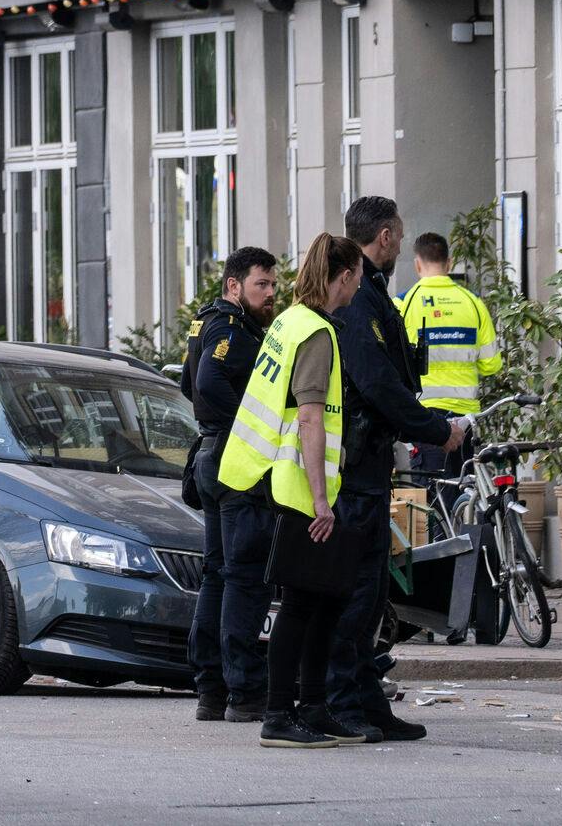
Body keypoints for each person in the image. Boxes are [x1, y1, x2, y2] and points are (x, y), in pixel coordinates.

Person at [216, 233, 365, 749]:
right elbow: (308, 418)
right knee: (305, 604)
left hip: (277, 478)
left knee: (323, 601)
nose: (360, 282)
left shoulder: (287, 321)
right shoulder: (318, 332)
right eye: (358, 274)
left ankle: (313, 709)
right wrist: (323, 501)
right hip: (300, 487)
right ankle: (280, 715)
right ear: (344, 277)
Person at [327, 197, 467, 743]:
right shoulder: (359, 298)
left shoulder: (371, 293)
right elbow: (378, 384)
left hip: (368, 464)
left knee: (371, 592)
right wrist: (435, 428)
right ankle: (346, 704)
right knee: (358, 593)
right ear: (385, 237)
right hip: (356, 467)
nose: (401, 244)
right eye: (398, 236)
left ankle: (365, 701)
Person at [180, 246, 278, 724]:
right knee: (243, 575)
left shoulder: (205, 323)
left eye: (274, 285)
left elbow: (186, 386)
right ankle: (244, 691)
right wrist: (253, 426)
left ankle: (211, 691)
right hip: (231, 459)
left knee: (218, 574)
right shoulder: (230, 328)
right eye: (262, 285)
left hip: (210, 453)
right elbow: (209, 380)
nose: (271, 294)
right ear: (235, 286)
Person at [399, 231, 501, 478]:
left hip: (425, 418)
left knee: (431, 504)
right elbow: (491, 365)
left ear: (417, 264)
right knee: (465, 493)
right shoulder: (474, 303)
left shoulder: (404, 303)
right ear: (449, 262)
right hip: (467, 420)